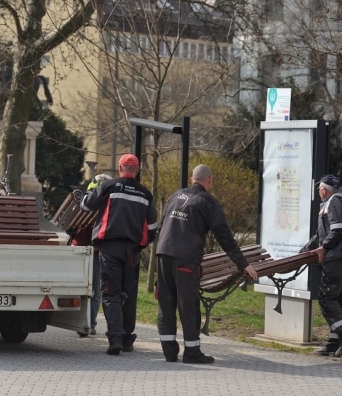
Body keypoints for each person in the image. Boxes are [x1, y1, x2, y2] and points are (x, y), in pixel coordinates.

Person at [156, 164, 259, 364]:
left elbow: (162, 225)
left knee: (166, 304)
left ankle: (169, 353)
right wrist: (243, 263)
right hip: (185, 259)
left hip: (163, 254)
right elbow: (224, 236)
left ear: (191, 178)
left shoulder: (175, 196)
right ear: (209, 180)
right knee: (189, 306)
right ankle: (192, 353)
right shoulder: (207, 202)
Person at [81, 154, 157, 355]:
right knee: (129, 295)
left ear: (120, 167)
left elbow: (86, 205)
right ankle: (127, 340)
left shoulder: (109, 186)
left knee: (111, 293)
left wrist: (92, 187)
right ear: (137, 170)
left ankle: (115, 339)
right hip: (132, 250)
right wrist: (141, 245)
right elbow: (153, 228)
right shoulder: (145, 194)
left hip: (110, 248)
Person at [302, 174, 342, 357]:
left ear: (323, 189)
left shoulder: (334, 201)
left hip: (340, 256)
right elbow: (319, 236)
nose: (318, 192)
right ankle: (333, 342)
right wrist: (304, 251)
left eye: (318, 189)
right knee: (337, 300)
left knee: (326, 298)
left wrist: (324, 248)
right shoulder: (338, 200)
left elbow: (338, 230)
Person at [69, 174, 111, 337]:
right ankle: (86, 324)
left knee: (92, 291)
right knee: (92, 292)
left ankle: (87, 324)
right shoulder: (104, 206)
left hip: (87, 252)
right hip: (87, 252)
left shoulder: (89, 202)